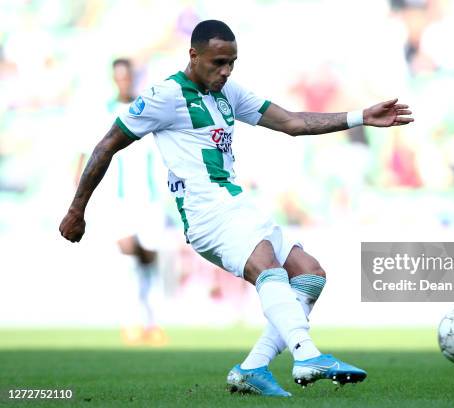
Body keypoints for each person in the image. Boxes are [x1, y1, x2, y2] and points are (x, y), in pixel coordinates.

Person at [60, 20, 414, 397]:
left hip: (236, 203)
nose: (226, 70)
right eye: (218, 62)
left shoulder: (228, 92)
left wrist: (360, 116)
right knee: (268, 266)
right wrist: (76, 210)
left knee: (310, 275)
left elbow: (292, 122)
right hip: (206, 211)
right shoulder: (164, 96)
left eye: (232, 62)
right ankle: (306, 353)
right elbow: (106, 145)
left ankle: (253, 367)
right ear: (193, 55)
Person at [74, 58, 168, 345]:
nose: (124, 82)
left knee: (148, 259)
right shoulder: (103, 113)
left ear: (134, 78)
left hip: (150, 199)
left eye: (128, 77)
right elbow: (85, 151)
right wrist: (78, 196)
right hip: (118, 200)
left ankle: (152, 323)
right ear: (114, 79)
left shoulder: (148, 111)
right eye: (119, 78)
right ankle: (132, 323)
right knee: (128, 256)